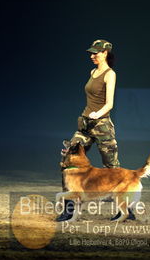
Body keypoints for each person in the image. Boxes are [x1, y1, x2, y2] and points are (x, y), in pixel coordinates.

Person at [57, 39, 120, 222]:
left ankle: (126, 209)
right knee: (67, 161)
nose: (92, 56)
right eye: (91, 53)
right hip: (85, 126)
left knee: (112, 167)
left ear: (105, 53)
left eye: (96, 53)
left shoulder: (110, 74)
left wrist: (96, 114)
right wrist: (87, 116)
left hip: (101, 125)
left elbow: (109, 103)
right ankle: (68, 210)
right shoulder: (92, 71)